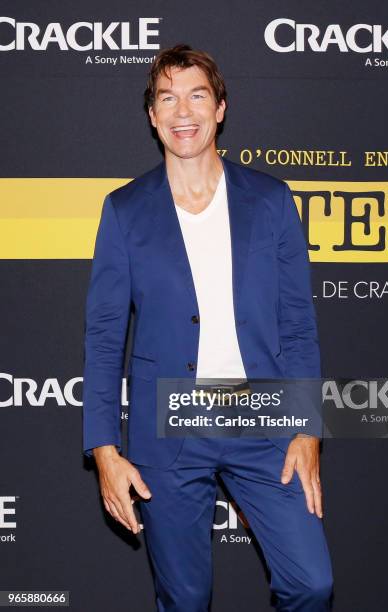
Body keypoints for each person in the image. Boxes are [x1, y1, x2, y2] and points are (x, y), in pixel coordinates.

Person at [82, 44, 333, 611]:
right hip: (168, 422)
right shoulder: (124, 210)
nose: (182, 111)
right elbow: (103, 339)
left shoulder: (270, 201)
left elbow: (297, 324)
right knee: (187, 598)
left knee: (311, 583)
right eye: (167, 98)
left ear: (220, 107)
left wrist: (308, 429)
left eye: (197, 95)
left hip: (264, 417)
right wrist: (103, 448)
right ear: (152, 114)